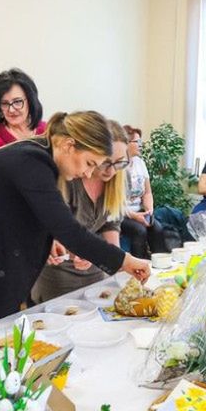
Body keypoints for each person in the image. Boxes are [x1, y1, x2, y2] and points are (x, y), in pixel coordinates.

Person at [0, 111, 151, 331]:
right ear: (68, 145)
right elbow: (68, 229)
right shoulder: (31, 162)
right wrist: (124, 260)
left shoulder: (40, 158)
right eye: (89, 163)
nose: (88, 172)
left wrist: (48, 237)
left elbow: (27, 213)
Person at [30, 121, 129, 304]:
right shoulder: (68, 177)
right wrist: (73, 249)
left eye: (119, 163)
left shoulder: (118, 181)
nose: (112, 171)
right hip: (57, 278)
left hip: (95, 274)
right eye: (106, 162)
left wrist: (115, 260)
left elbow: (111, 223)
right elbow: (57, 228)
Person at [119, 126, 168, 258]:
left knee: (157, 227)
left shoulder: (140, 163)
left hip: (140, 211)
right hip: (122, 214)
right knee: (139, 230)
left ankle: (161, 265)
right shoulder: (117, 166)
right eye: (137, 142)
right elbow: (113, 203)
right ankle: (138, 268)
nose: (141, 145)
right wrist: (134, 216)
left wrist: (149, 210)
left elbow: (147, 193)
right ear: (126, 143)